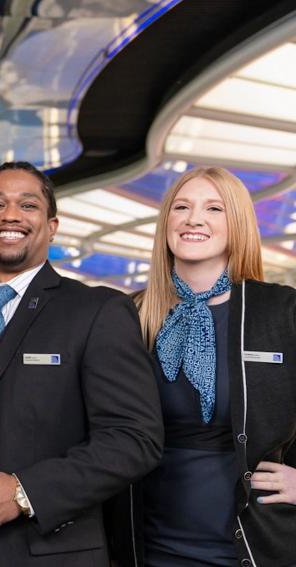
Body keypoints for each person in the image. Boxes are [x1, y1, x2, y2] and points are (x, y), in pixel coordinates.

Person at [0, 161, 163, 567]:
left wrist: (23, 492)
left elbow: (135, 438)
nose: (10, 215)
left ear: (52, 226)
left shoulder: (97, 312)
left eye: (27, 205)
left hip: (52, 554)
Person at [108, 167, 296, 567]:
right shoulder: (128, 316)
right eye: (181, 207)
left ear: (239, 224)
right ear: (167, 224)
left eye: (214, 208)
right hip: (148, 546)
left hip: (256, 548)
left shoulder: (281, 313)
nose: (194, 219)